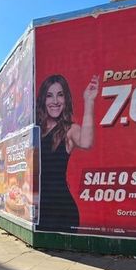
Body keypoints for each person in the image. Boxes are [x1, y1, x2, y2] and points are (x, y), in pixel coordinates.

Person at [36, 74, 98, 231]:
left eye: (60, 95)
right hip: (37, 210)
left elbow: (86, 142)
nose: (55, 101)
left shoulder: (69, 129)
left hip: (61, 211)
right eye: (49, 96)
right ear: (43, 100)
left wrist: (89, 101)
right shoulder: (36, 130)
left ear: (66, 99)